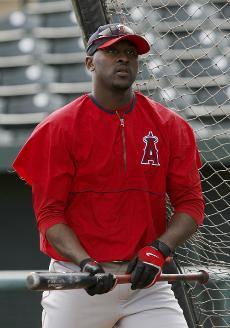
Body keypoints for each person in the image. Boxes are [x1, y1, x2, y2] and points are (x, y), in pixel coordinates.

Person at [13, 23, 204, 328]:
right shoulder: (59, 128)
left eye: (130, 53)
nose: (123, 58)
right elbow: (50, 216)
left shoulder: (171, 126)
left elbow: (191, 206)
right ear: (90, 62)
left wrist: (158, 249)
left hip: (145, 283)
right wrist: (86, 263)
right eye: (112, 51)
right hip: (78, 281)